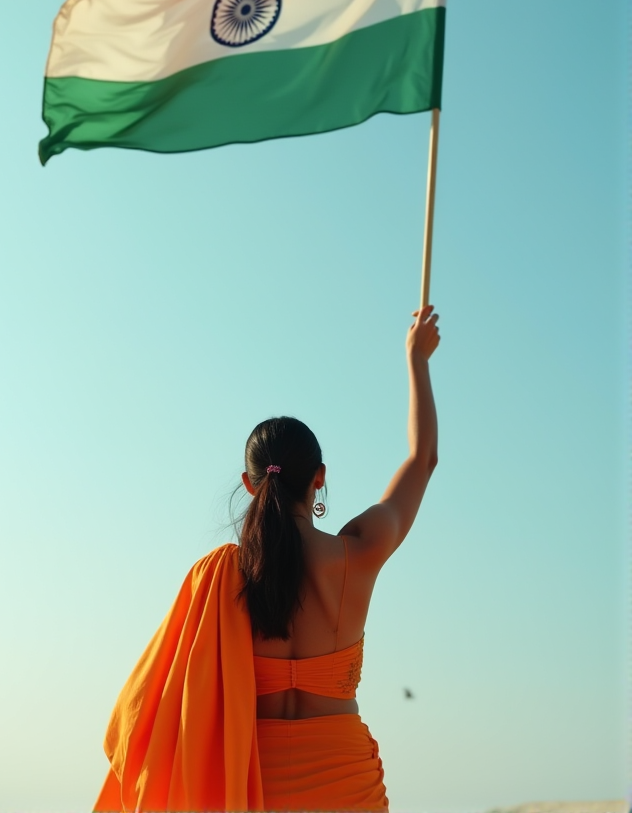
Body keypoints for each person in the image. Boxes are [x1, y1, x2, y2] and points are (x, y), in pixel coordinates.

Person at [93, 304, 440, 813]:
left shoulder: (223, 573)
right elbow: (421, 459)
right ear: (319, 477)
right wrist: (417, 359)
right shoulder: (358, 551)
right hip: (345, 781)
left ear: (250, 484)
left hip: (253, 783)